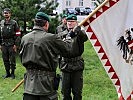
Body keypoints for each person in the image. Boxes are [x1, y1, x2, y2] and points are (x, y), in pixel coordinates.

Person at [19, 12, 74, 100]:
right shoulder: (51, 38)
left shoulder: (25, 38)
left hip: (29, 84)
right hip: (46, 85)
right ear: (46, 24)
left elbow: (21, 56)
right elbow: (68, 49)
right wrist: (69, 36)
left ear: (35, 23)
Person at [58, 14, 88, 100]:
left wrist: (78, 31)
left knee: (77, 91)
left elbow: (85, 38)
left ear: (76, 23)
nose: (70, 23)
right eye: (68, 21)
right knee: (65, 91)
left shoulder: (79, 34)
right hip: (65, 64)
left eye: (72, 21)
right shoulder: (62, 34)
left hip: (77, 64)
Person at [0, 8, 21, 79]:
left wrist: (16, 44)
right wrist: (0, 44)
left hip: (12, 44)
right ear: (3, 14)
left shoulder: (14, 22)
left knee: (12, 59)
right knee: (5, 59)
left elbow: (18, 34)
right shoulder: (1, 23)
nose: (6, 14)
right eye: (5, 13)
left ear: (10, 14)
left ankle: (12, 73)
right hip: (4, 44)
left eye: (7, 13)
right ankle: (7, 73)